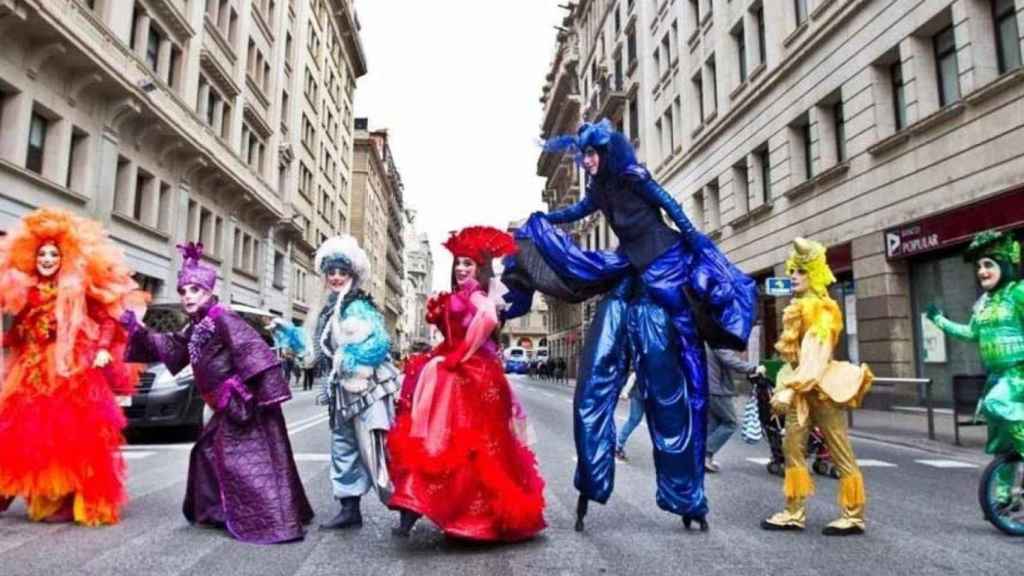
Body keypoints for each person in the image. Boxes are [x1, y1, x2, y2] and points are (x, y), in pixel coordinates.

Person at [509, 120, 756, 532]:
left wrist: (702, 249)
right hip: (627, 275)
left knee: (668, 396)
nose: (586, 161)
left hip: (663, 277)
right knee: (592, 384)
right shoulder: (599, 189)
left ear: (607, 152)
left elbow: (673, 210)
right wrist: (541, 219)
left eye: (591, 154)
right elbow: (575, 212)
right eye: (583, 155)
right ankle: (591, 479)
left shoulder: (632, 176)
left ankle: (687, 497)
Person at [123, 242, 313, 544]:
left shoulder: (223, 317)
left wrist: (246, 391)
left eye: (194, 290)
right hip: (225, 406)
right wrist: (140, 332)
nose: (187, 296)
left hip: (244, 406)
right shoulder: (197, 324)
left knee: (245, 461)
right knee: (207, 453)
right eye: (183, 291)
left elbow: (252, 349)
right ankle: (218, 510)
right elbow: (174, 349)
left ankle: (273, 520)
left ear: (210, 292)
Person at [387, 226, 546, 541]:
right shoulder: (461, 295)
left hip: (473, 377)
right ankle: (415, 508)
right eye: (458, 263)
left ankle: (464, 517)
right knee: (435, 442)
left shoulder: (478, 294)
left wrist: (461, 353)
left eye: (468, 264)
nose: (461, 268)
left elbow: (487, 320)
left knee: (470, 448)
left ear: (480, 268)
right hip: (451, 373)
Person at [0, 208, 148, 525]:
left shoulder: (78, 285)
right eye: (42, 254)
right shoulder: (26, 289)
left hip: (72, 368)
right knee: (31, 433)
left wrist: (105, 349)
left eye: (54, 254)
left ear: (63, 256)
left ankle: (74, 496)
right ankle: (43, 494)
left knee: (73, 434)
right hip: (32, 368)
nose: (48, 259)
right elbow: (19, 330)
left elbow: (108, 318)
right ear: (33, 257)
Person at [761, 238, 873, 536]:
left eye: (800, 271)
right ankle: (793, 511)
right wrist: (784, 382)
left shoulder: (823, 309)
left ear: (815, 273)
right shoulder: (797, 307)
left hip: (821, 391)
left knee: (839, 450)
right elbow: (795, 359)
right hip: (801, 392)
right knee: (792, 448)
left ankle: (854, 515)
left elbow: (815, 356)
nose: (794, 276)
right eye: (792, 271)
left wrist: (789, 388)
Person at [307, 235, 399, 530]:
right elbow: (316, 350)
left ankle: (406, 505)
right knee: (343, 445)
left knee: (376, 449)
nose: (335, 277)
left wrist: (350, 357)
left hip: (368, 389)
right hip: (341, 391)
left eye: (341, 272)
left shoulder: (358, 306)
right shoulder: (328, 308)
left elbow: (380, 342)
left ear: (352, 275)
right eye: (331, 272)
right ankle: (349, 509)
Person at [926, 230, 1024, 500]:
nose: (981, 271)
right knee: (1002, 443)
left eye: (988, 264)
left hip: (1019, 373)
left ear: (1003, 265)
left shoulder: (1018, 292)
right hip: (997, 375)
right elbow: (971, 333)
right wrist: (939, 321)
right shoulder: (984, 302)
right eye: (979, 266)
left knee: (996, 404)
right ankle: (1005, 497)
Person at [704, 345, 763, 473]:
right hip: (717, 389)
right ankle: (705, 453)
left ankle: (705, 458)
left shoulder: (705, 338)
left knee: (714, 424)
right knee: (731, 423)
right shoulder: (718, 340)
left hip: (706, 387)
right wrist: (753, 368)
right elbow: (730, 360)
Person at [268, 317, 308, 387]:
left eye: (276, 328)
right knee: (287, 370)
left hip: (292, 356)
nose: (275, 330)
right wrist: (272, 332)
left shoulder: (291, 332)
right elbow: (277, 339)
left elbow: (297, 345)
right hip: (285, 357)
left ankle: (297, 376)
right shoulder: (280, 334)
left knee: (294, 368)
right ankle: (287, 383)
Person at [614, 374, 643, 461]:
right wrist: (625, 391)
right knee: (634, 420)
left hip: (649, 396)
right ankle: (618, 446)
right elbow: (634, 375)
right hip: (640, 395)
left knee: (634, 420)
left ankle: (618, 446)